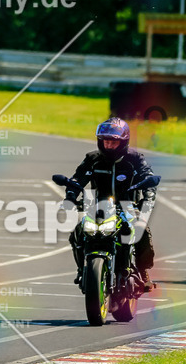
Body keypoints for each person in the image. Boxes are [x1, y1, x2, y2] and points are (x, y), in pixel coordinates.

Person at [59, 117, 157, 292]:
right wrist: (71, 195)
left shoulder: (134, 159)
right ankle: (83, 270)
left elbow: (147, 177)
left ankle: (143, 271)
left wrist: (148, 197)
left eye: (113, 142)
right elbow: (77, 178)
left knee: (141, 230)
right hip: (96, 206)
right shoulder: (92, 158)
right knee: (78, 231)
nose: (109, 145)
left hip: (127, 206)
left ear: (123, 142)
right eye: (105, 141)